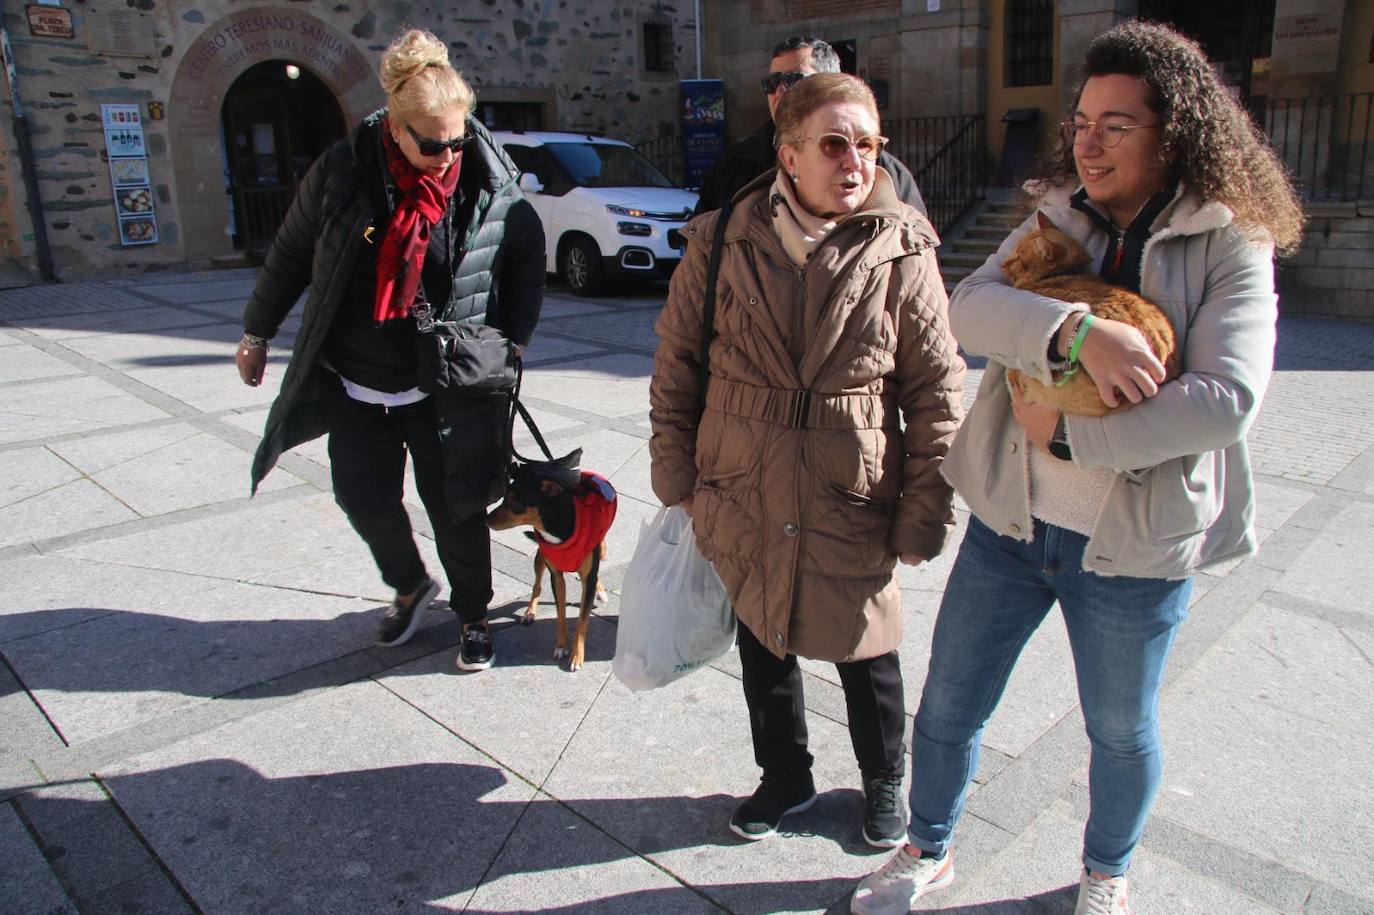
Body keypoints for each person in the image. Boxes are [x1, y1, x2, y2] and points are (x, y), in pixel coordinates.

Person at [851, 20, 1304, 915]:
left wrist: (1068, 437)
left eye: (1116, 124)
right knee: (949, 704)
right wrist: (1078, 331)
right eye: (1083, 121)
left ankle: (1105, 872)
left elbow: (1225, 400)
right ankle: (926, 847)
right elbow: (968, 307)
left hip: (1134, 546)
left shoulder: (1228, 241)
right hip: (1013, 524)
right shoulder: (1059, 213)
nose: (1088, 143)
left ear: (1172, 133)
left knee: (1120, 730)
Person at [650, 73, 965, 848]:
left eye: (867, 144)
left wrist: (925, 506)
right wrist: (676, 473)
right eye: (834, 143)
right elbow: (677, 363)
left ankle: (884, 777)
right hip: (742, 477)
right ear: (789, 155)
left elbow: (936, 390)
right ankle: (784, 773)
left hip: (849, 487)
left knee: (868, 646)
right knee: (764, 636)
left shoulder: (903, 246)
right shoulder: (722, 237)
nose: (855, 160)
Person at [235, 29, 545, 673]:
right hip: (357, 376)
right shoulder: (344, 172)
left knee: (456, 507)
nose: (448, 154)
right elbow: (291, 253)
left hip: (444, 384)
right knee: (361, 496)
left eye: (458, 139)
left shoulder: (487, 178)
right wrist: (256, 332)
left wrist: (514, 339)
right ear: (395, 130)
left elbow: (525, 255)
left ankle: (473, 615)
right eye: (432, 144)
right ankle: (409, 584)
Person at [692, 37, 927, 219]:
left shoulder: (883, 173)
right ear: (789, 159)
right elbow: (703, 258)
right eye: (772, 83)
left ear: (831, 84)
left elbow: (914, 263)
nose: (781, 91)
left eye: (794, 79)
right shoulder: (736, 164)